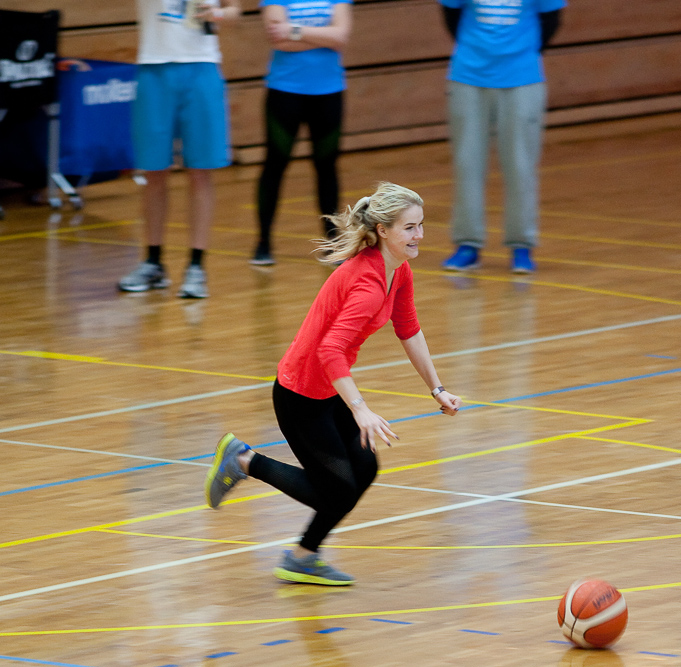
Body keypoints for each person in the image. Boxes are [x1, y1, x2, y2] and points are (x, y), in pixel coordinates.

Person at [205, 182, 462, 586]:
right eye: (410, 228)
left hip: (325, 390)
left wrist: (437, 388)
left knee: (364, 468)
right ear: (383, 231)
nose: (420, 235)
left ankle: (303, 556)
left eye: (421, 225)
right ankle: (243, 460)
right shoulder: (368, 284)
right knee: (337, 489)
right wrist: (360, 409)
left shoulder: (397, 271)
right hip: (300, 394)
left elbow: (409, 328)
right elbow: (329, 350)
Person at [118, 0, 241, 299]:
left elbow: (234, 10)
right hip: (155, 67)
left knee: (200, 172)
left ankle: (196, 267)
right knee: (154, 172)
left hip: (202, 67)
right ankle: (153, 262)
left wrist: (217, 13)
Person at [438, 0, 565, 275]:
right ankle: (468, 244)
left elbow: (552, 20)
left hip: (522, 79)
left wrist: (520, 53)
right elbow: (451, 14)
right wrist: (477, 52)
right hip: (468, 77)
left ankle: (521, 245)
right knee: (468, 164)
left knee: (521, 166)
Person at [250, 0, 353, 267]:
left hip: (329, 91)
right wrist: (324, 36)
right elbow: (277, 38)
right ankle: (263, 242)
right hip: (285, 91)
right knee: (275, 164)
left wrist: (294, 30)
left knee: (326, 166)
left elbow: (341, 37)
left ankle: (333, 242)